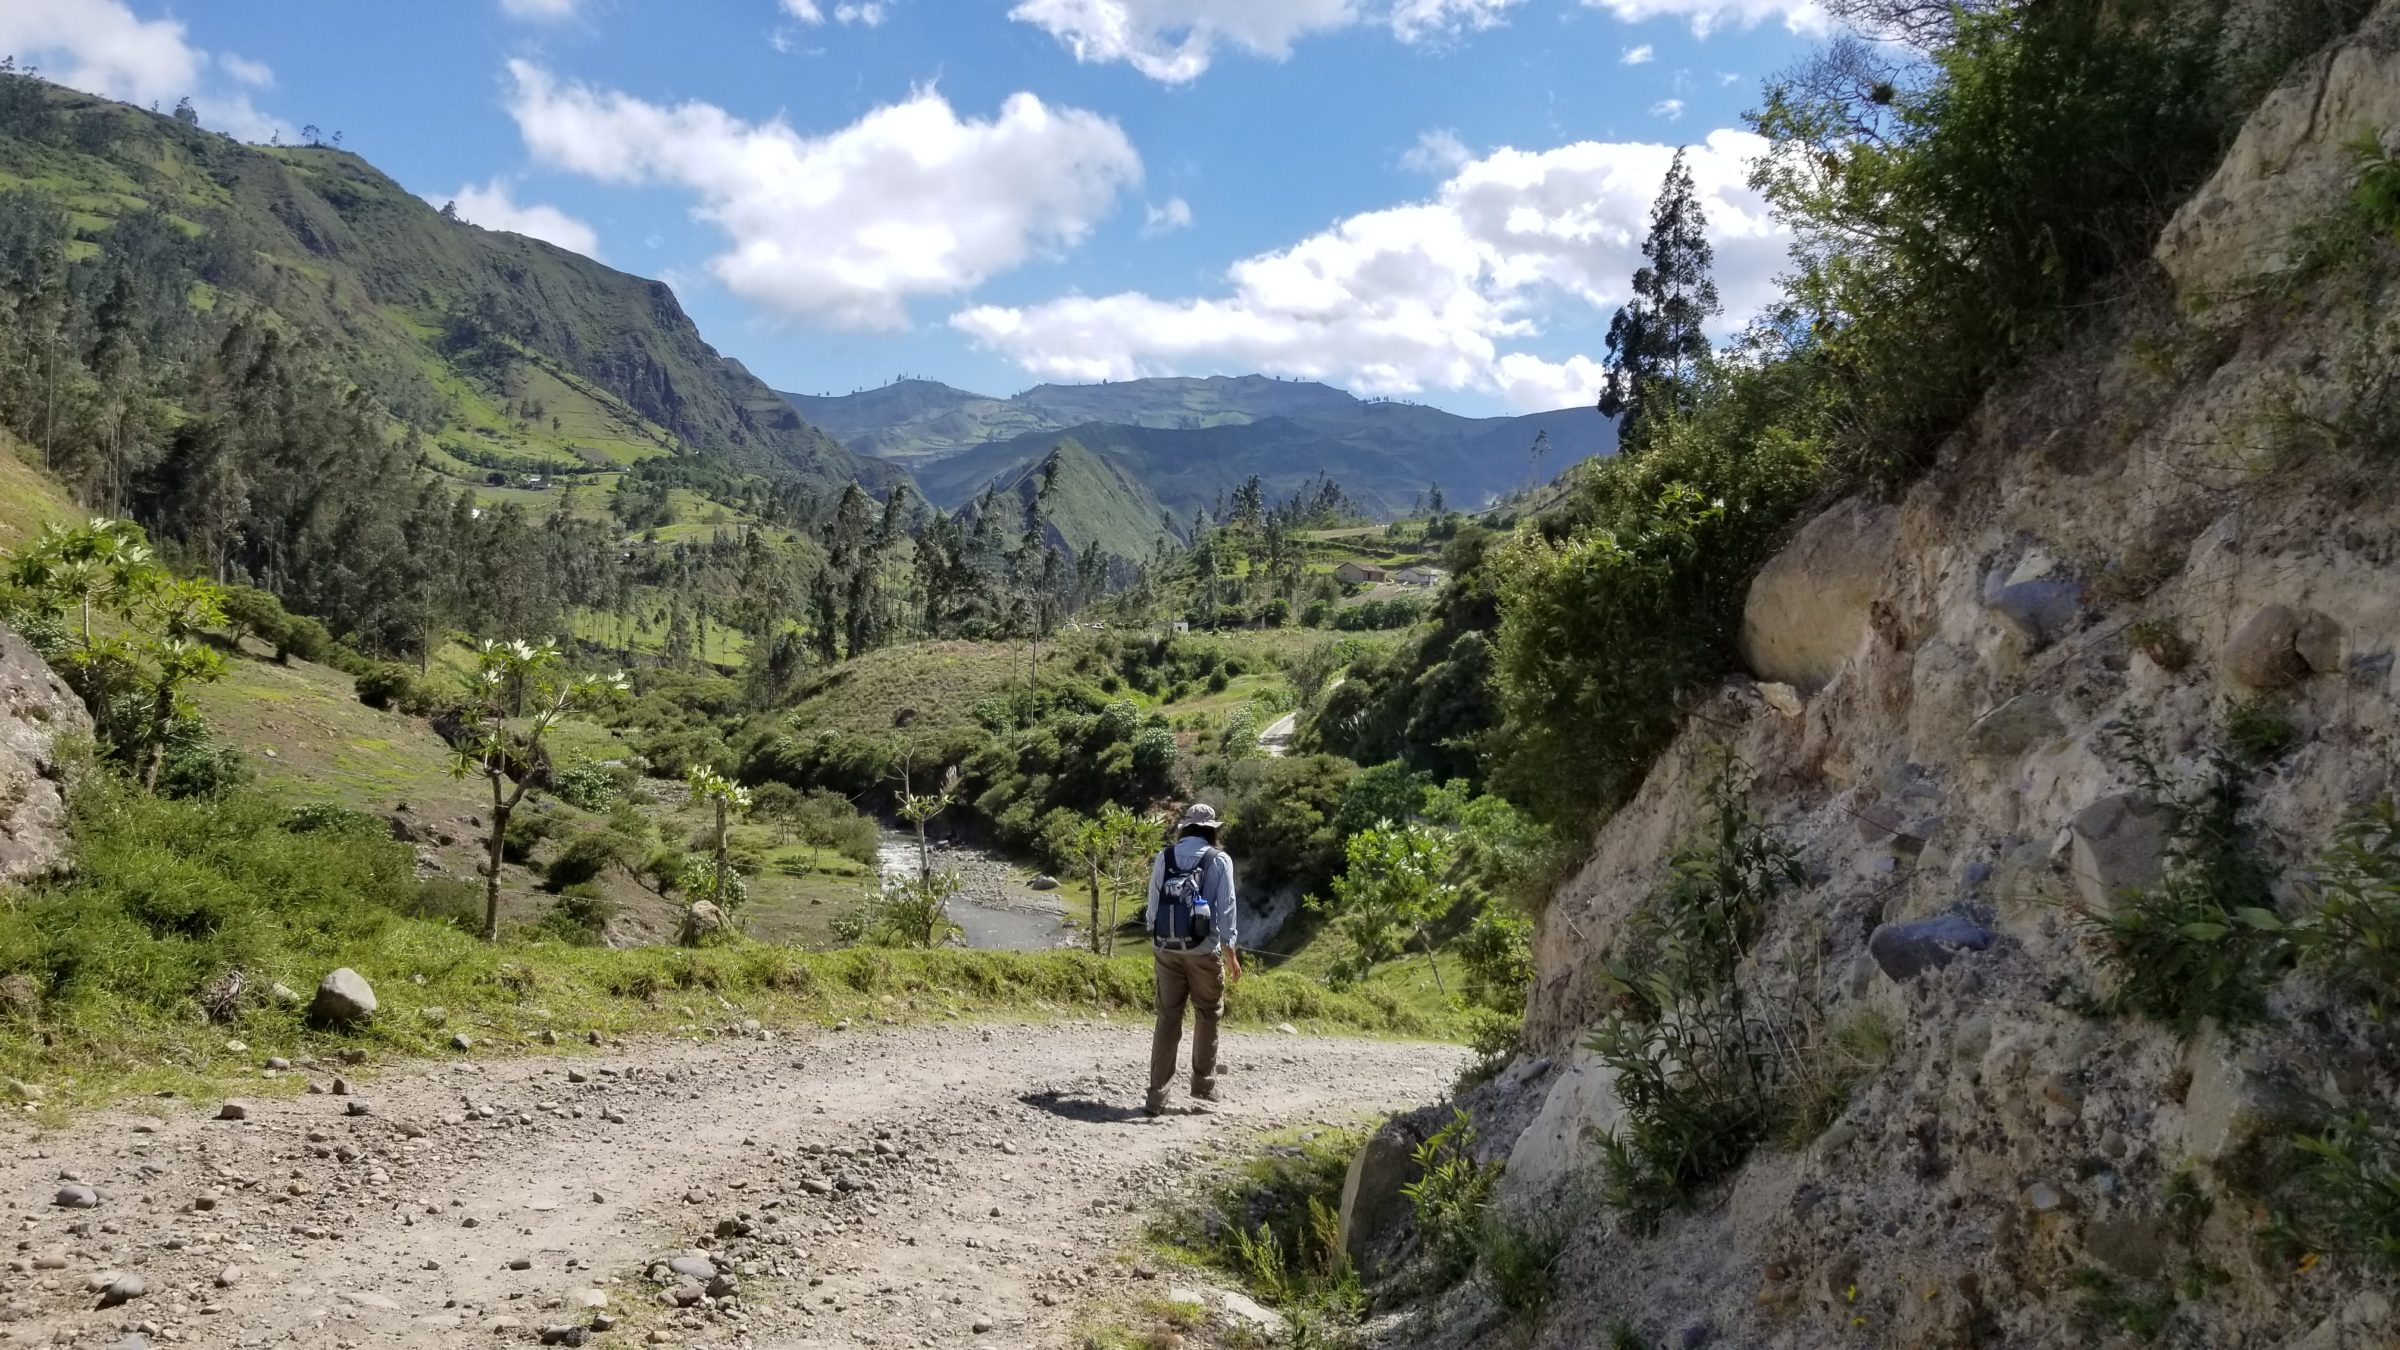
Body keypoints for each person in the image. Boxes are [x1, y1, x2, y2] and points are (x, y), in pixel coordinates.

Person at [1140, 802, 1241, 1116]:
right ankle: (1203, 1085)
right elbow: (1227, 909)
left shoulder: (1165, 856)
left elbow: (1153, 904)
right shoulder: (1219, 859)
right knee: (1209, 1012)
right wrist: (1230, 952)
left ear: (1185, 827)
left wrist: (1158, 936)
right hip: (1203, 951)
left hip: (1166, 949)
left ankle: (1157, 1097)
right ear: (1212, 831)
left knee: (1168, 1017)